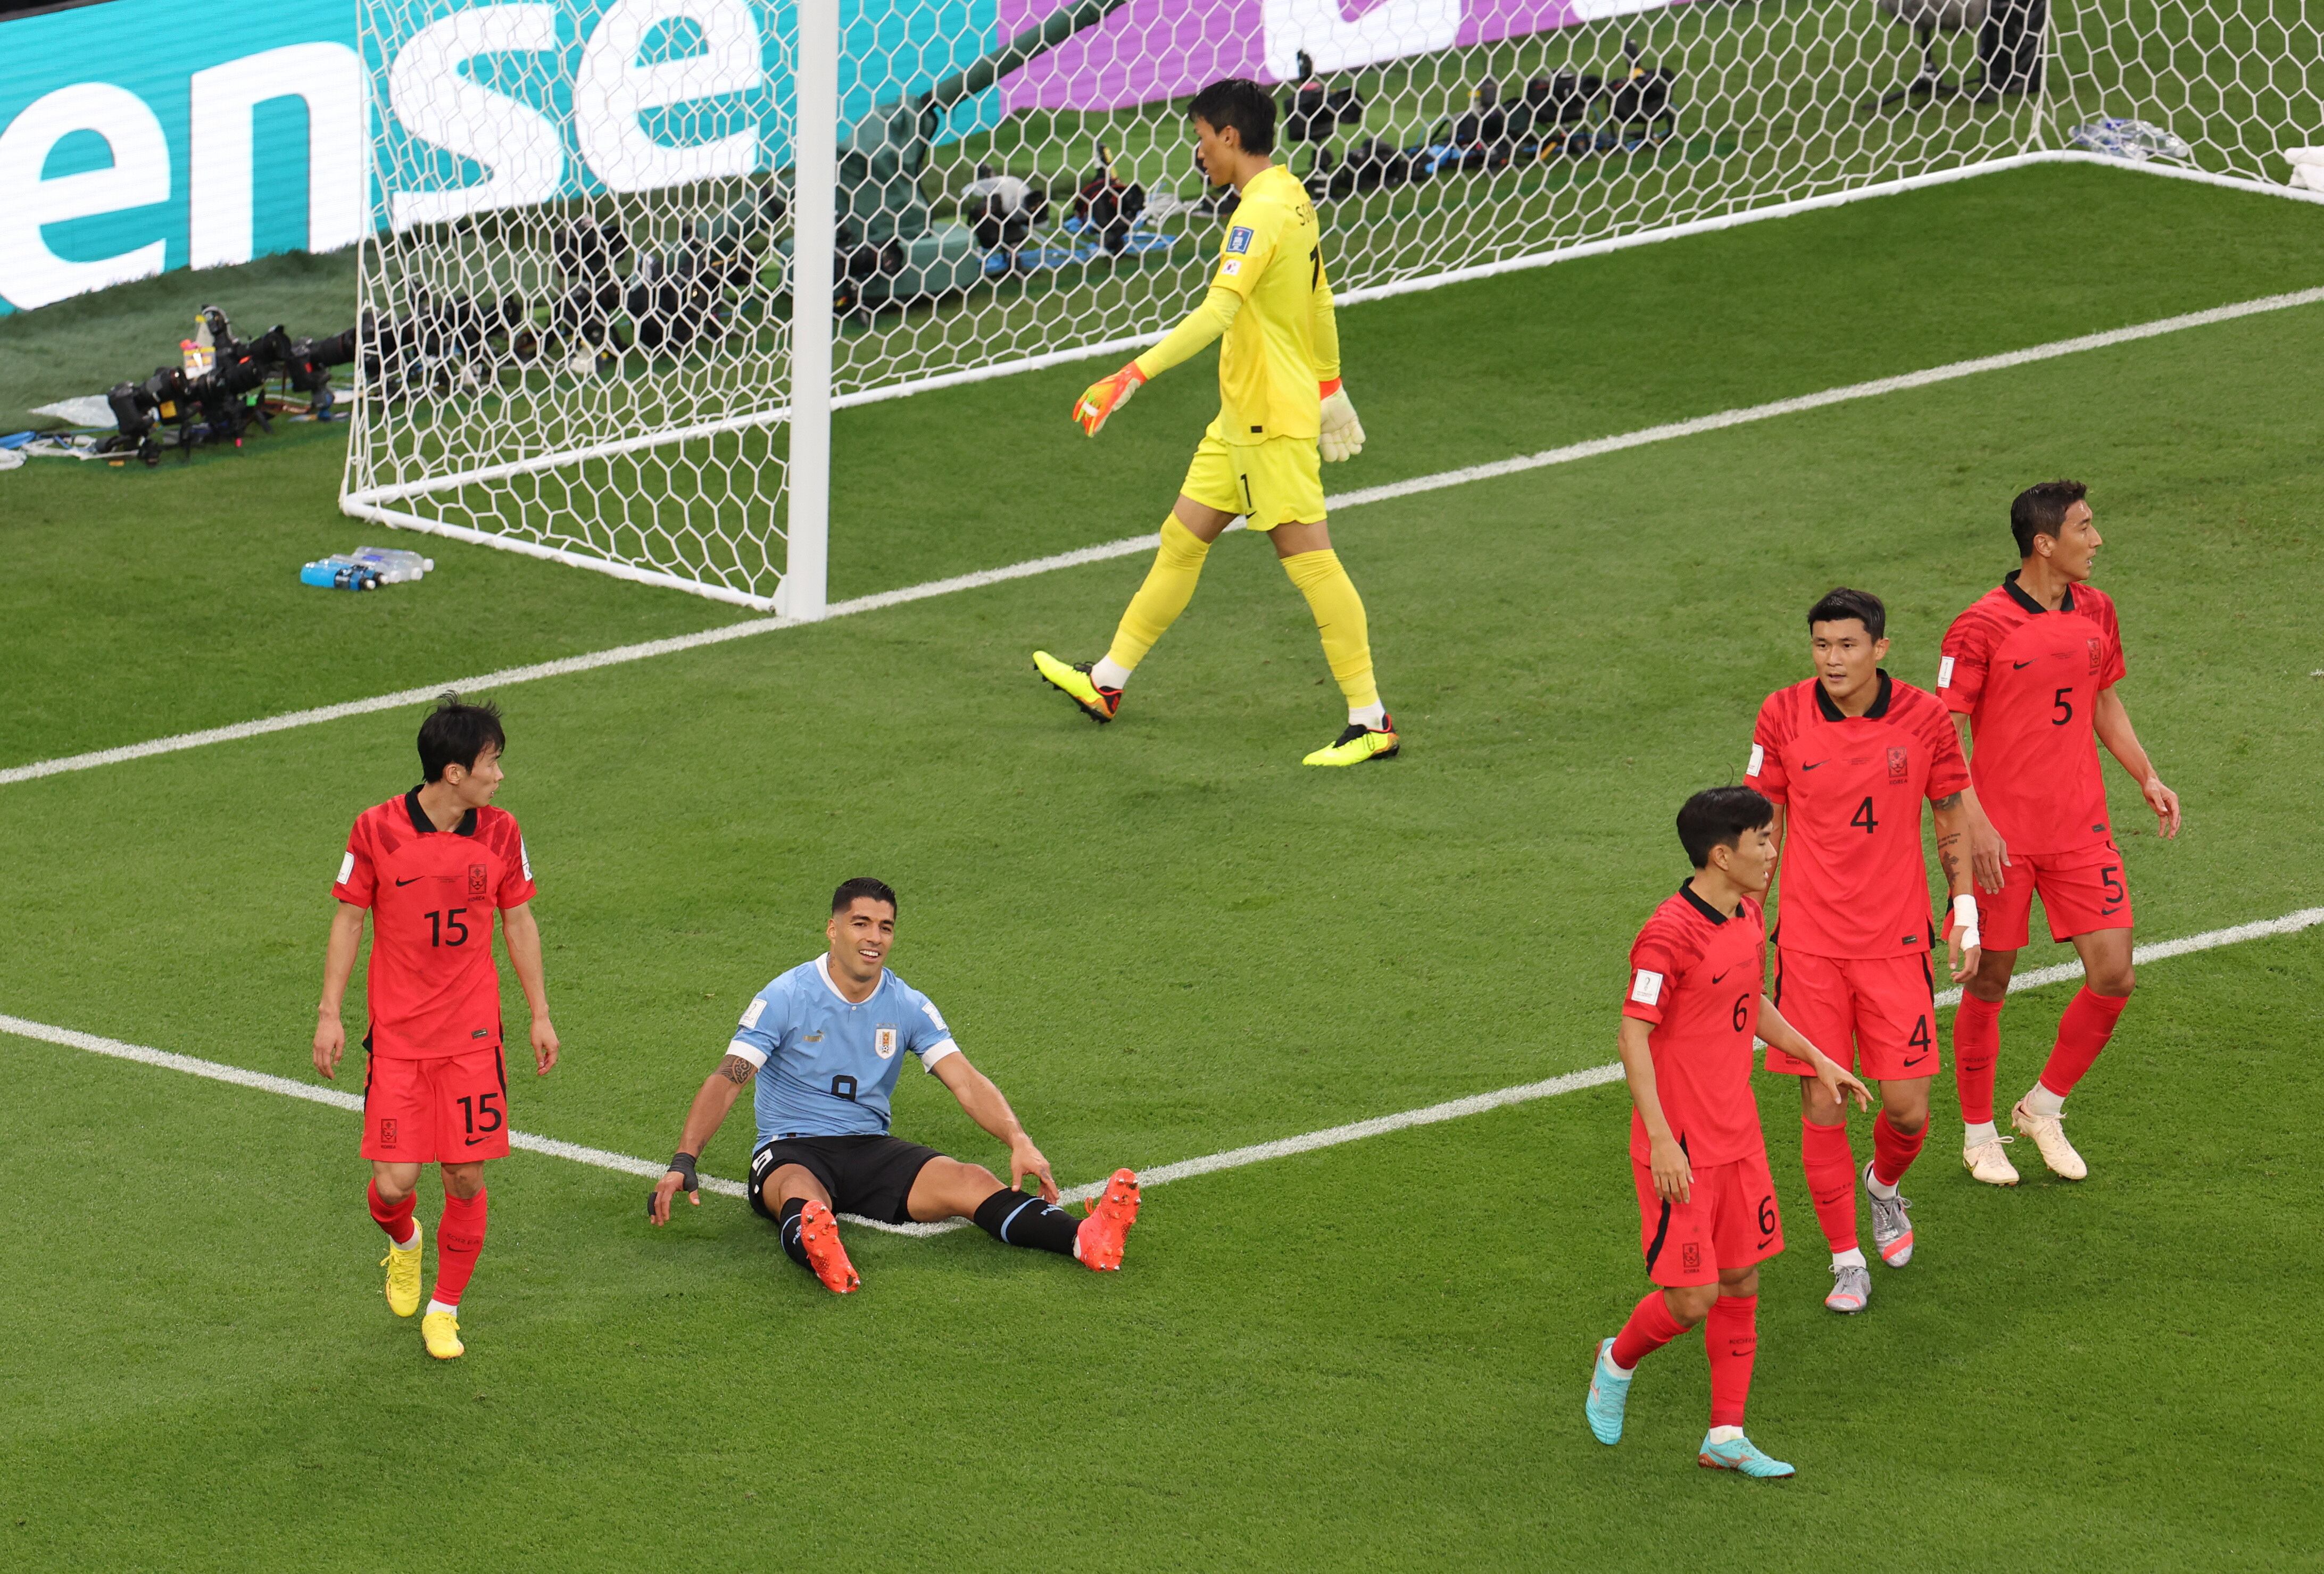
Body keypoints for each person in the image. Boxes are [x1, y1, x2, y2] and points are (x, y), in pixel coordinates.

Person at [1031, 77, 1392, 768]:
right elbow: (1319, 300)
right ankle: (1107, 680)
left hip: (1267, 420)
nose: (1199, 153)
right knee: (1181, 540)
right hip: (1241, 419)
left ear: (1230, 136)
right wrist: (1330, 383)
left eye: (1202, 139)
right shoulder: (1293, 195)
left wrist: (1131, 375)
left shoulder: (1256, 217)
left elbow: (1220, 311)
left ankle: (1371, 719)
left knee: (1312, 562)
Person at [647, 879, 1141, 1292]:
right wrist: (684, 1159)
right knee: (803, 1196)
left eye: (885, 927)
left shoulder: (907, 1004)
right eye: (861, 923)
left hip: (870, 1147)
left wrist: (1018, 1139)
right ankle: (823, 1254)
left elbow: (966, 1080)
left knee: (971, 1179)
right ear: (833, 929)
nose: (874, 937)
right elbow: (728, 1079)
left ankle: (1085, 1238)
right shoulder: (787, 996)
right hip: (791, 1148)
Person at [1585, 787, 1872, 1479]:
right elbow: (1632, 1036)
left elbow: (1751, 999)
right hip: (1681, 1147)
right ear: (1722, 853)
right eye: (1762, 840)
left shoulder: (1747, 911)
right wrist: (1660, 1140)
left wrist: (1819, 1057)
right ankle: (1616, 1360)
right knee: (1694, 1298)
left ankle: (1726, 1433)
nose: (1773, 851)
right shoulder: (1666, 937)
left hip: (1738, 1137)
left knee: (1741, 1279)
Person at [1744, 588, 1983, 1314]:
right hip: (1810, 945)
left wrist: (1965, 906)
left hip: (1896, 942)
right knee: (1822, 1102)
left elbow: (1950, 812)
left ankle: (1884, 1186)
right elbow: (1762, 828)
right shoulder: (1782, 713)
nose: (1833, 659)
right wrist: (1745, 924)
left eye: (1847, 645)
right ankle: (1846, 1258)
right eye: (1822, 644)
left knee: (1908, 1110)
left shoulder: (1926, 717)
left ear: (1880, 648)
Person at [1938, 481, 2181, 1183]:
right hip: (2000, 839)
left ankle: (2042, 1106)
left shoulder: (2097, 608)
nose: (2096, 539)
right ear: (2044, 543)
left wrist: (2146, 775)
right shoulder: (1978, 626)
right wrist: (1976, 825)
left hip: (2080, 829)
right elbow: (1943, 733)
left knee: (2114, 973)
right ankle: (1979, 1133)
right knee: (1990, 979)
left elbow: (2104, 700)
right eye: (2084, 527)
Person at [314, 697, 558, 1361]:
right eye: (491, 763)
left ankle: (444, 1308)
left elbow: (518, 920)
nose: (499, 776)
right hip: (398, 1039)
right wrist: (330, 1013)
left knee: (465, 1177)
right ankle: (405, 1241)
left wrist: (539, 1012)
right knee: (394, 1184)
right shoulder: (375, 829)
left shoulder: (502, 832)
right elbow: (349, 918)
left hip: (472, 1040)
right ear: (454, 772)